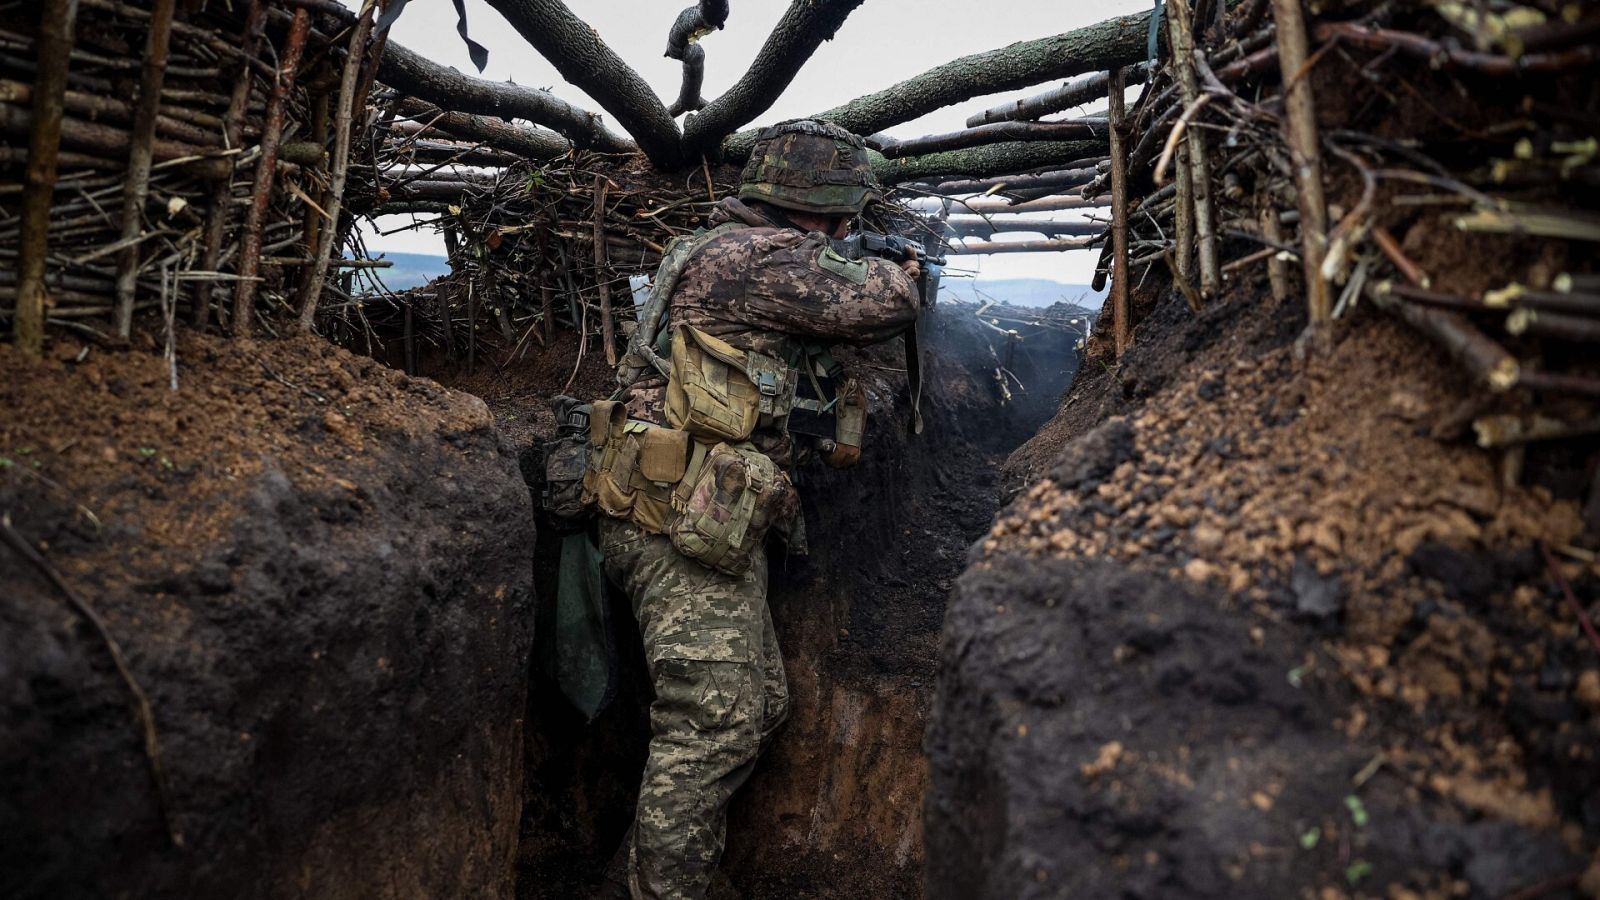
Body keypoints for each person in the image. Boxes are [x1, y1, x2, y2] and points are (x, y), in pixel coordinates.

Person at [594, 119, 921, 899]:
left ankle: (640, 875)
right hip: (677, 522)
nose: (849, 232)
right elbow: (885, 303)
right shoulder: (759, 259)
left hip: (683, 511)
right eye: (846, 219)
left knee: (761, 705)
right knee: (715, 725)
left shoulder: (718, 247)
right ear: (820, 211)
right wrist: (901, 269)